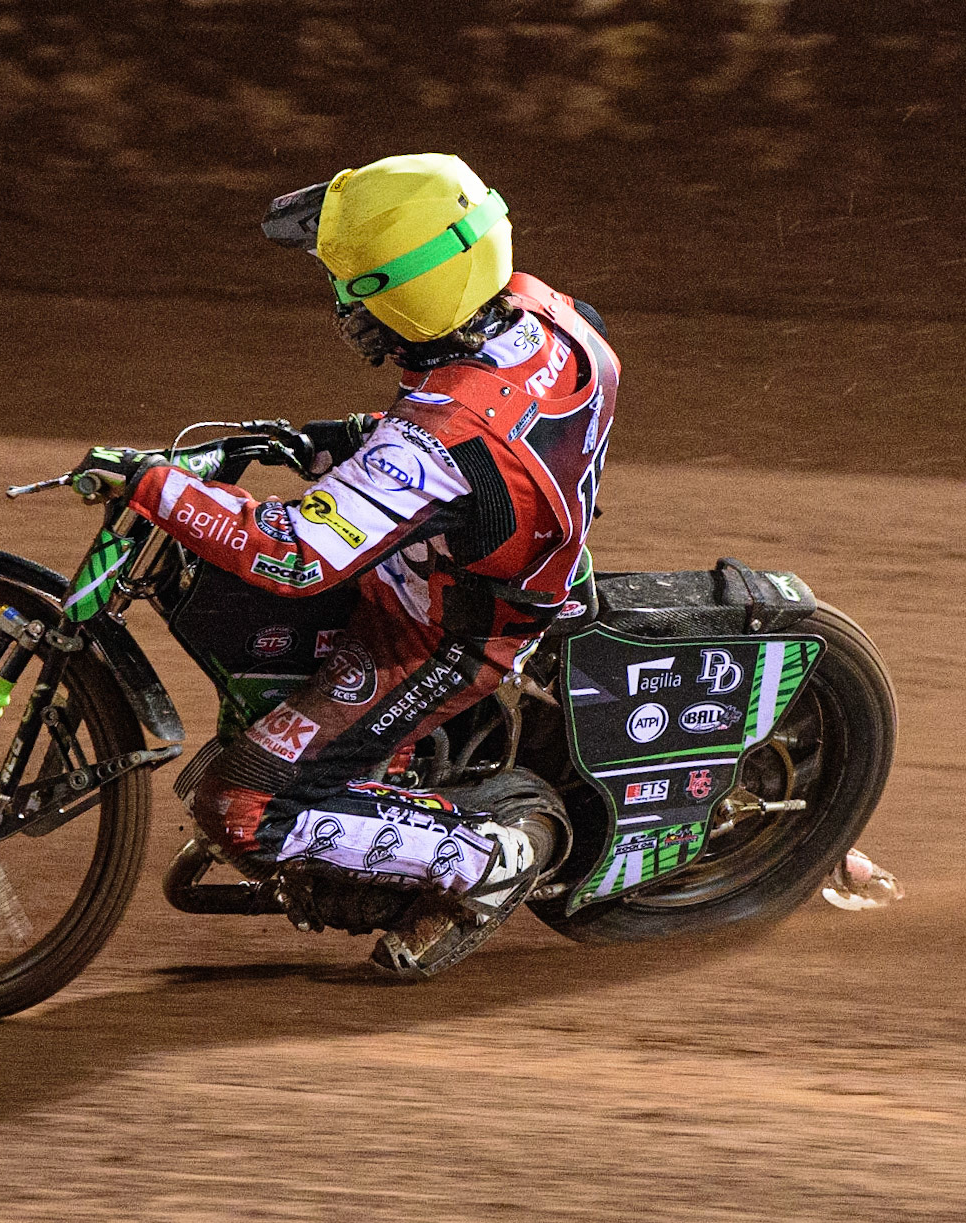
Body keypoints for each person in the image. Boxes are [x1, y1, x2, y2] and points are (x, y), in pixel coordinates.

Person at [72, 152, 616, 972]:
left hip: (437, 634)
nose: (340, 303)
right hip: (490, 555)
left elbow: (296, 556)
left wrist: (156, 485)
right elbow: (464, 428)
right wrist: (330, 441)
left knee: (240, 805)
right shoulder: (549, 316)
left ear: (413, 289)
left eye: (354, 286)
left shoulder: (440, 439)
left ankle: (494, 859)